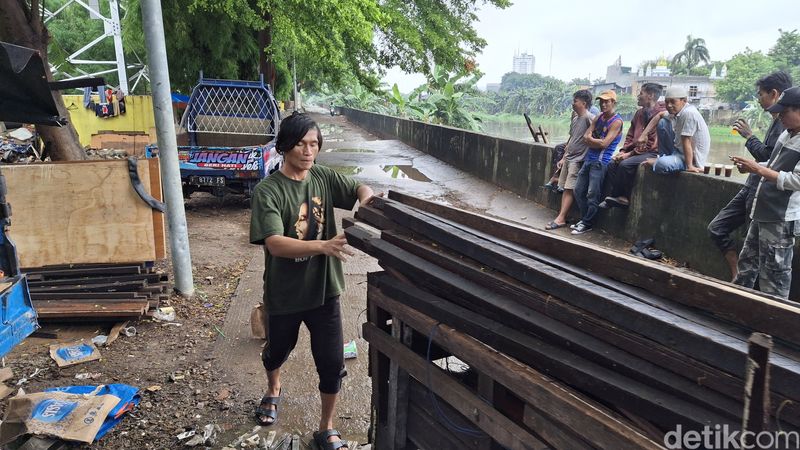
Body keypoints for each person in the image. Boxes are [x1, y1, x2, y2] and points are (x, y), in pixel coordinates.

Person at [249, 112, 375, 450]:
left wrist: (366, 202)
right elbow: (274, 243)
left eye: (314, 144)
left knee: (332, 364)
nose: (308, 151)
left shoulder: (322, 177)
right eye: (302, 144)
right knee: (277, 351)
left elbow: (360, 186)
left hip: (325, 292)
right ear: (286, 145)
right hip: (285, 293)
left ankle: (326, 427)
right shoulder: (268, 191)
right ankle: (274, 388)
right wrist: (323, 245)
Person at [708, 71, 792, 280]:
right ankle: (737, 277)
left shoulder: (787, 124)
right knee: (719, 229)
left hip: (767, 195)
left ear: (774, 94)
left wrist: (749, 137)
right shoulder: (779, 121)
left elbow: (772, 163)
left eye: (760, 94)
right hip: (753, 185)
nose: (758, 99)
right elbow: (769, 160)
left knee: (760, 257)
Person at [732, 86, 800, 299]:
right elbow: (773, 165)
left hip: (780, 217)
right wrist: (753, 165)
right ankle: (734, 307)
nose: (780, 117)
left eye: (784, 112)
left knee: (775, 275)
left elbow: (796, 180)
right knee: (747, 264)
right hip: (761, 210)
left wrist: (758, 169)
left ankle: (773, 326)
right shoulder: (787, 135)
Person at [600, 83, 665, 208]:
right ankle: (618, 197)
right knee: (612, 164)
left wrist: (628, 155)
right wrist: (623, 150)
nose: (638, 96)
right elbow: (630, 135)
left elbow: (651, 143)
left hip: (652, 152)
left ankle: (622, 197)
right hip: (635, 151)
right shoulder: (639, 113)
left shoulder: (660, 114)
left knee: (625, 164)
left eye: (641, 93)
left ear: (650, 96)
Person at [571, 90, 624, 235]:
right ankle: (584, 219)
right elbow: (585, 136)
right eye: (601, 101)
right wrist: (595, 141)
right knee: (578, 190)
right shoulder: (599, 117)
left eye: (607, 101)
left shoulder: (617, 121)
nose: (603, 104)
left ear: (613, 103)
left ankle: (587, 223)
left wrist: (592, 141)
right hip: (589, 159)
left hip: (601, 162)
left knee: (592, 194)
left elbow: (604, 144)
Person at [545, 90, 595, 229]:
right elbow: (572, 139)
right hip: (569, 158)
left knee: (568, 189)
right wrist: (563, 157)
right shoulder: (575, 119)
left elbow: (596, 136)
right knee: (564, 187)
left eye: (575, 101)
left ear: (584, 103)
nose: (573, 103)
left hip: (578, 160)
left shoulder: (589, 118)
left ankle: (561, 218)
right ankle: (561, 216)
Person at [640, 86, 710, 174]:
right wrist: (643, 135)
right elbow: (660, 115)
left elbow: (687, 140)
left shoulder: (689, 113)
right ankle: (664, 157)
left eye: (673, 102)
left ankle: (663, 160)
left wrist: (690, 166)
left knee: (661, 164)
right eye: (667, 102)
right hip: (678, 152)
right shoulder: (677, 112)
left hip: (691, 159)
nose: (669, 105)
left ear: (684, 101)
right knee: (662, 122)